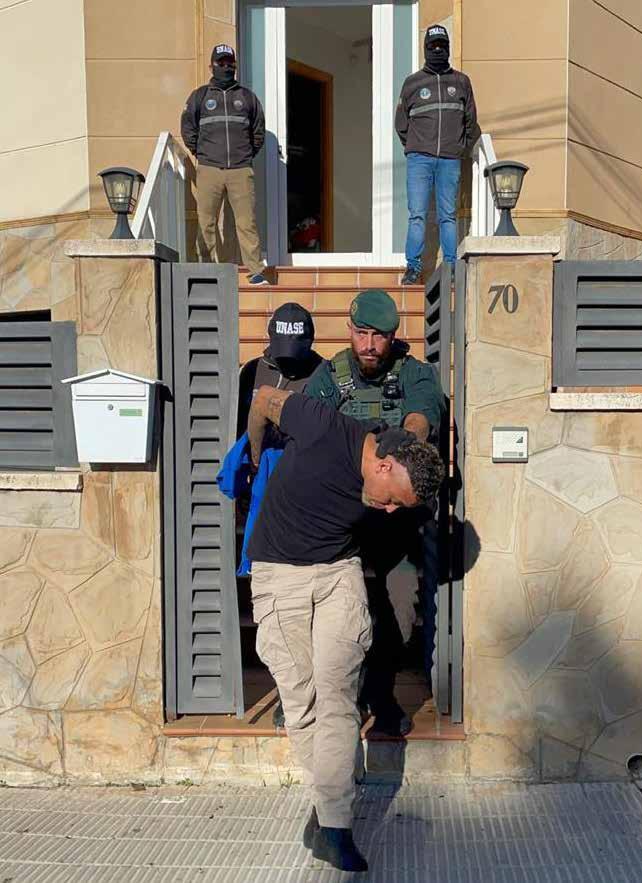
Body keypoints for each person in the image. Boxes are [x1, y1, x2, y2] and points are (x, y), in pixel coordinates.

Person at [247, 389, 445, 871]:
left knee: (337, 694)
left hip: (339, 572)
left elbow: (415, 431)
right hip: (280, 576)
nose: (390, 511)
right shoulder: (321, 425)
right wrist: (254, 458)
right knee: (303, 702)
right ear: (382, 466)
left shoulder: (391, 473)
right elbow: (262, 398)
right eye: (393, 500)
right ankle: (326, 806)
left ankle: (334, 826)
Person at [302, 288, 445, 737]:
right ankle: (318, 701)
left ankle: (380, 695)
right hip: (340, 522)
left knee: (398, 609)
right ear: (349, 330)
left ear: (393, 336)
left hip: (395, 525)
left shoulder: (414, 373)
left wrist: (406, 440)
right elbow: (306, 428)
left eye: (379, 336)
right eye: (361, 333)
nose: (368, 345)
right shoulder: (332, 376)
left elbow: (423, 415)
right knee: (327, 613)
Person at [395, 24, 481, 285]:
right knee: (417, 215)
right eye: (433, 46)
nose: (437, 50)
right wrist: (416, 146)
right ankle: (413, 268)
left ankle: (451, 268)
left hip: (449, 161)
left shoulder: (461, 82)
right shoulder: (412, 83)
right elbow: (401, 124)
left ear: (448, 48)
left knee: (447, 216)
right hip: (419, 160)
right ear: (425, 49)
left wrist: (459, 148)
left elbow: (471, 122)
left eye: (442, 46)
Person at [181, 44, 269, 285]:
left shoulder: (247, 97)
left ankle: (256, 270)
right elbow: (188, 128)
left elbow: (258, 132)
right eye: (221, 63)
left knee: (247, 223)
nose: (226, 67)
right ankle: (205, 270)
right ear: (212, 66)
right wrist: (201, 153)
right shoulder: (200, 96)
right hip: (209, 169)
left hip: (240, 170)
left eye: (230, 63)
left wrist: (246, 155)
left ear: (235, 65)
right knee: (206, 222)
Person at [237, 302, 323, 439]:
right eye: (282, 354)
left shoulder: (323, 374)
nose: (288, 361)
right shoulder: (252, 370)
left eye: (295, 355)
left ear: (310, 341)